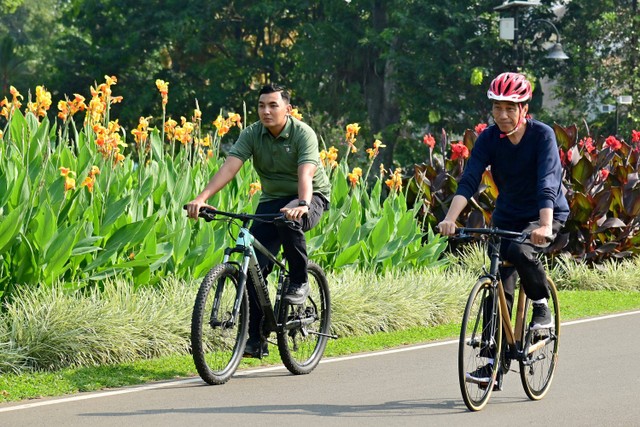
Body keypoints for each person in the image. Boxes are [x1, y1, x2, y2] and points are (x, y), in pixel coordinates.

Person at [437, 72, 569, 385]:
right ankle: (493, 362)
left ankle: (540, 307)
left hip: (544, 213)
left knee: (521, 250)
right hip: (508, 215)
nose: (503, 115)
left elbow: (547, 183)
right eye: (498, 108)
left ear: (525, 108)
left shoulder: (542, 135)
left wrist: (546, 225)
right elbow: (469, 179)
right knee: (496, 283)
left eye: (511, 108)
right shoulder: (488, 138)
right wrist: (451, 219)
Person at [185, 84, 331, 358]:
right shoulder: (253, 133)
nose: (266, 111)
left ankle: (299, 281)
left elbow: (306, 174)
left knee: (290, 222)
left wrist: (301, 204)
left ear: (287, 109)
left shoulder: (302, 134)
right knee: (253, 268)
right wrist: (202, 197)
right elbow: (230, 165)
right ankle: (255, 338)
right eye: (261, 105)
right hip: (272, 200)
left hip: (311, 196)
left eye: (273, 105)